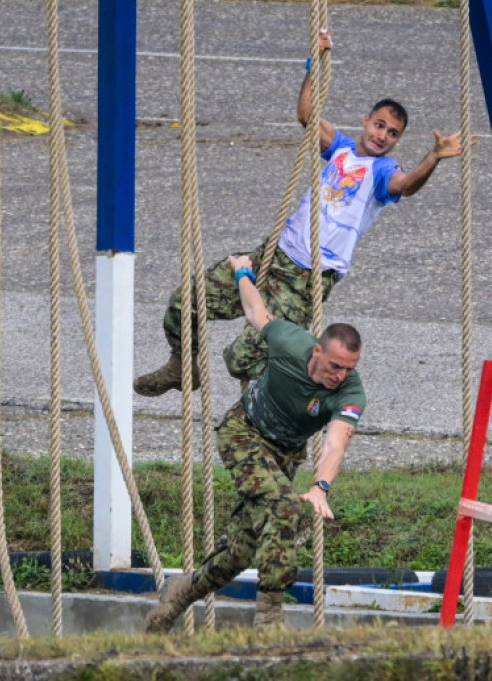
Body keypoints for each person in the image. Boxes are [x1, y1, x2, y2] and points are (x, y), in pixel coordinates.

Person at [133, 29, 472, 395]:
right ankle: (182, 366)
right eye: (379, 125)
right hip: (274, 254)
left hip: (307, 277)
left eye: (392, 133)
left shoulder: (382, 172)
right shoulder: (341, 148)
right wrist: (313, 64)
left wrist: (434, 156)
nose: (383, 135)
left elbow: (406, 187)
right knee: (185, 303)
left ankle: (283, 390)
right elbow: (307, 114)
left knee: (242, 358)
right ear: (365, 120)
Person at [144, 254, 366, 632]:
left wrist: (320, 486)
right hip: (243, 433)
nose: (340, 375)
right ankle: (269, 619)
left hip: (282, 457)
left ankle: (178, 596)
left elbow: (336, 444)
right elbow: (256, 312)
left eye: (348, 368)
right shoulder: (290, 342)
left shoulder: (350, 392)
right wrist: (242, 271)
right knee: (283, 506)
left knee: (239, 552)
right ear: (317, 351)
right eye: (334, 366)